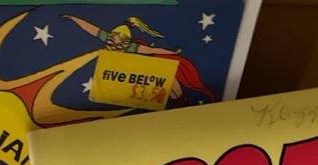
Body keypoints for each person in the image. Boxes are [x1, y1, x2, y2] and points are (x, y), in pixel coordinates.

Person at [63, 13, 215, 105]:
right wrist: (74, 18)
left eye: (118, 45)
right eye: (110, 42)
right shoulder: (107, 37)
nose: (113, 46)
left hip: (137, 72)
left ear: (125, 43)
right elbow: (90, 28)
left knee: (168, 80)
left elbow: (152, 50)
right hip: (117, 73)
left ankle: (181, 100)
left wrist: (172, 52)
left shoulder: (131, 47)